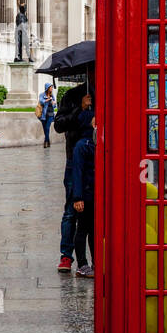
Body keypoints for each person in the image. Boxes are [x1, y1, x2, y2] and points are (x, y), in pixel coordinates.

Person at [55, 85, 93, 272]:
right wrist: (81, 108)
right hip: (75, 160)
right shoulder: (72, 95)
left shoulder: (108, 90)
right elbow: (59, 125)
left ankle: (95, 259)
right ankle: (66, 256)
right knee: (71, 210)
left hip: (99, 161)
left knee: (93, 216)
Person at [69, 113, 96, 278]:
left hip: (96, 194)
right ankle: (82, 264)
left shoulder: (96, 142)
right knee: (82, 230)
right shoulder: (81, 146)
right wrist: (77, 197)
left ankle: (95, 262)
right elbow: (77, 173)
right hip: (84, 194)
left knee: (94, 230)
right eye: (94, 120)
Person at [38, 84, 57, 148]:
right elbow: (41, 101)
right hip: (43, 114)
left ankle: (45, 141)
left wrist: (53, 103)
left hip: (50, 114)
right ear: (47, 88)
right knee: (45, 129)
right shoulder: (42, 95)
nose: (52, 88)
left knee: (47, 128)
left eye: (52, 87)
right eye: (51, 87)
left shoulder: (52, 95)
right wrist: (47, 100)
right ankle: (48, 141)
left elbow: (54, 106)